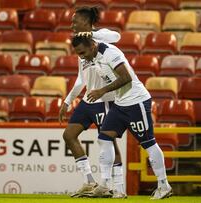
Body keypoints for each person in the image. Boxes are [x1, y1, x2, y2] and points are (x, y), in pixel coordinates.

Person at [70, 34, 173, 200]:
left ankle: (163, 185)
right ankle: (105, 184)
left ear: (92, 46)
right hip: (120, 104)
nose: (81, 57)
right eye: (78, 54)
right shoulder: (94, 56)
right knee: (104, 138)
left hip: (136, 102)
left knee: (148, 143)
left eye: (82, 53)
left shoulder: (110, 53)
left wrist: (102, 91)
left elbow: (126, 78)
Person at [59, 7, 126, 198]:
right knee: (69, 135)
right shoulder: (81, 45)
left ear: (86, 21)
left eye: (75, 21)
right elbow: (81, 79)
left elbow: (117, 36)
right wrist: (68, 101)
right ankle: (89, 182)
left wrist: (93, 33)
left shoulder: (99, 38)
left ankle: (118, 187)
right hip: (88, 99)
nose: (71, 25)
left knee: (109, 142)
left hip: (105, 99)